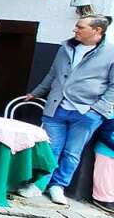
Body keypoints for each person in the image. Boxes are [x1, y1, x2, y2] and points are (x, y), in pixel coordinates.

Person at [21, 16, 114, 206]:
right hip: (56, 107)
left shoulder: (111, 52)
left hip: (86, 112)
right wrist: (37, 93)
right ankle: (39, 184)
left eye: (80, 27)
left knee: (72, 152)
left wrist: (97, 110)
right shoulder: (65, 48)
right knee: (49, 148)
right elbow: (52, 73)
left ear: (97, 31)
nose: (75, 30)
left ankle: (58, 186)